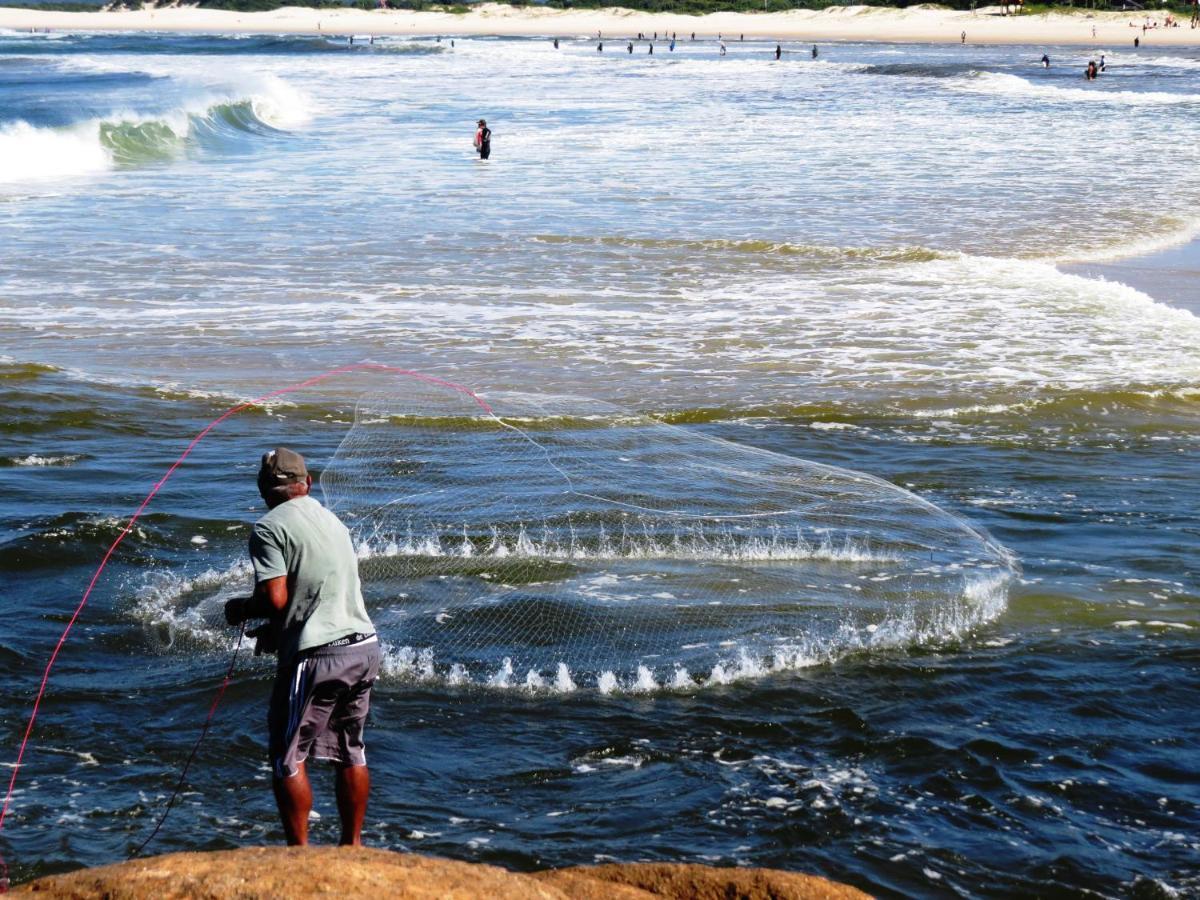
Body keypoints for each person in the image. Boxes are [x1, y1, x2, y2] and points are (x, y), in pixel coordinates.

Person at [224, 449, 380, 847]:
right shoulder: (333, 520)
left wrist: (241, 608)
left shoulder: (268, 528)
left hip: (318, 657)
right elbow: (320, 593)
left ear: (263, 488)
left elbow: (276, 599)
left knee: (287, 756)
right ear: (307, 483)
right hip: (364, 647)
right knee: (352, 751)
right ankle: (354, 847)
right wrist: (279, 633)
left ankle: (300, 856)